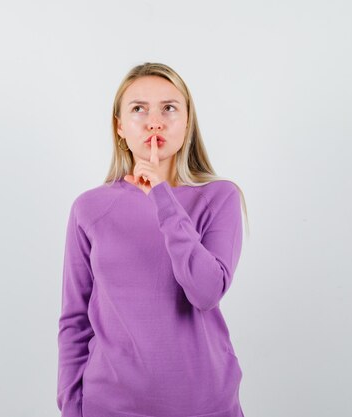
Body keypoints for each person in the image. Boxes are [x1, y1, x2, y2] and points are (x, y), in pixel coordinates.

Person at [56, 62, 250, 417]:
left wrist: (163, 197)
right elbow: (74, 321)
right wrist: (71, 408)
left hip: (205, 405)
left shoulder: (221, 197)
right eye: (138, 109)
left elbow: (206, 292)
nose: (154, 121)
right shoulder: (89, 208)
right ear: (119, 126)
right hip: (110, 407)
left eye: (169, 108)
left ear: (187, 122)